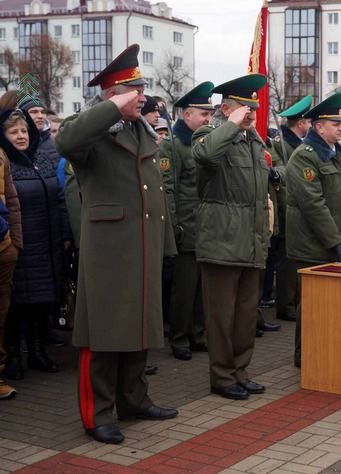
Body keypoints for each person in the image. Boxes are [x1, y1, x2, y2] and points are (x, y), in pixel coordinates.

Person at [55, 44, 178, 444]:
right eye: (133, 90)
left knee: (139, 327)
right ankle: (98, 414)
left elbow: (153, 191)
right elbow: (66, 141)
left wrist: (166, 243)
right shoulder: (90, 131)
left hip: (141, 244)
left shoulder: (141, 129)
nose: (143, 96)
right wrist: (111, 109)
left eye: (142, 88)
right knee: (103, 335)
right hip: (109, 250)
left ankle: (134, 400)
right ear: (113, 96)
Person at [192, 74, 274, 401]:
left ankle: (241, 371)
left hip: (250, 240)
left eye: (253, 107)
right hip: (222, 241)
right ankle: (222, 376)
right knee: (221, 317)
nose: (252, 113)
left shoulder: (253, 140)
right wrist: (231, 125)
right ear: (226, 109)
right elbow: (206, 157)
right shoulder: (208, 133)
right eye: (245, 108)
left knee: (245, 315)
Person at [285, 92, 341, 369]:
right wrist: (335, 241)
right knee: (311, 306)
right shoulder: (305, 157)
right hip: (310, 245)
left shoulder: (340, 155)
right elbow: (313, 205)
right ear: (319, 127)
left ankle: (326, 350)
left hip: (334, 243)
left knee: (331, 304)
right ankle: (305, 357)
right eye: (335, 123)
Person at [0, 107, 69, 381]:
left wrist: (64, 234)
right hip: (21, 243)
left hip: (48, 241)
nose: (21, 136)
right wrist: (14, 243)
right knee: (17, 305)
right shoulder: (6, 162)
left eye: (24, 131)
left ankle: (39, 352)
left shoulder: (42, 158)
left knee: (43, 301)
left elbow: (60, 198)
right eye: (13, 131)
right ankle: (15, 356)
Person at [159, 81, 215, 361]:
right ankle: (179, 336)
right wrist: (174, 226)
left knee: (202, 288)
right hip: (186, 225)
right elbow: (168, 188)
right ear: (187, 115)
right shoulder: (172, 146)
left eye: (210, 114)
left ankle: (199, 333)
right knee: (183, 289)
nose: (208, 119)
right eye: (203, 114)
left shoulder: (206, 143)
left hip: (207, 226)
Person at [267, 95, 313, 323]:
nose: (311, 126)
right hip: (285, 207)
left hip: (299, 208)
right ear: (301, 122)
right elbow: (276, 171)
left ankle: (293, 300)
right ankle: (285, 304)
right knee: (286, 260)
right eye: (308, 121)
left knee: (295, 258)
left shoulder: (302, 145)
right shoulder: (279, 144)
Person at [0, 116, 22, 398]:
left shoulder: (1, 154)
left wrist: (15, 244)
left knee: (1, 317)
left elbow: (12, 200)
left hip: (4, 249)